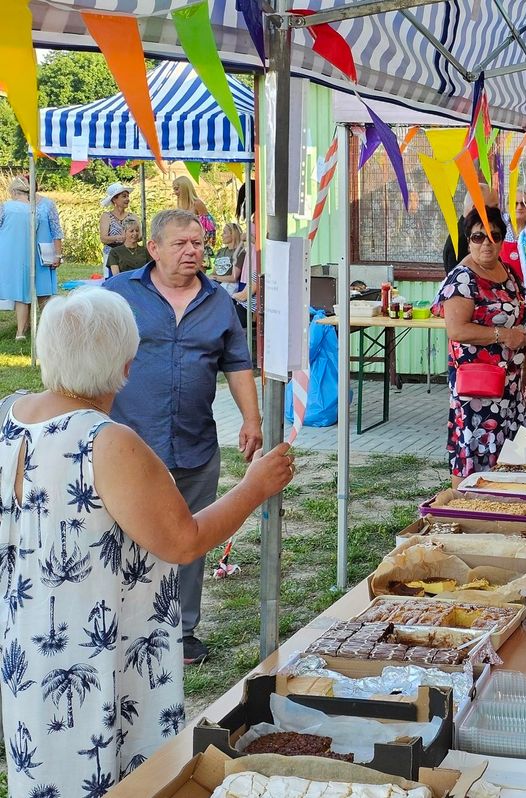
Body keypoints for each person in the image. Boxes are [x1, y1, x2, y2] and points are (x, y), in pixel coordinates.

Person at [0, 287, 294, 796]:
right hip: (101, 653)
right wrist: (254, 487)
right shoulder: (107, 441)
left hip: (29, 645)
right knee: (121, 778)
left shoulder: (10, 413)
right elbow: (184, 541)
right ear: (127, 365)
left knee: (46, 774)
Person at [103, 209, 262, 666]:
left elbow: (236, 364)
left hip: (193, 442)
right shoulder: (118, 293)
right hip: (127, 444)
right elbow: (88, 349)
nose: (193, 250)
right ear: (153, 249)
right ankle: (121, 624)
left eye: (198, 243)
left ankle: (181, 630)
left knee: (190, 537)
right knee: (121, 535)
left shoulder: (219, 301)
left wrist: (251, 418)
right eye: (181, 243)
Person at [433, 207, 526, 486]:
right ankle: (467, 510)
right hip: (478, 390)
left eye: (493, 236)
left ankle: (506, 509)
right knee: (476, 454)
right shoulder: (462, 279)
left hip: (510, 386)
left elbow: (522, 323)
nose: (486, 243)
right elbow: (457, 329)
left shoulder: (510, 274)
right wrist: (501, 336)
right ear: (468, 240)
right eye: (478, 237)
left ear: (502, 240)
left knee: (514, 452)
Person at [0, 177, 59, 340]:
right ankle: (21, 332)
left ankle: (21, 330)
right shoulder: (35, 211)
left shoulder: (4, 207)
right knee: (24, 293)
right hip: (29, 256)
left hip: (7, 255)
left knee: (17, 291)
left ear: (13, 192)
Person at [443, 184, 500, 274]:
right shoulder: (459, 243)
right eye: (494, 208)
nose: (498, 213)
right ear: (476, 208)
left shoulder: (473, 233)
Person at [99, 181, 138, 276]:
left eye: (128, 196)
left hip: (129, 254)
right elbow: (103, 238)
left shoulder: (132, 216)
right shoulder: (106, 216)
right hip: (111, 255)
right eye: (124, 196)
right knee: (112, 282)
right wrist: (120, 238)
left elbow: (140, 235)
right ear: (114, 200)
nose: (127, 199)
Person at [172, 175, 216, 253]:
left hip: (197, 246)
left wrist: (201, 244)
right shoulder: (180, 207)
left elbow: (209, 229)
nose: (175, 193)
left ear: (184, 188)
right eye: (174, 189)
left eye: (176, 189)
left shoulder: (197, 203)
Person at [500, 188, 526, 282]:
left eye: (524, 203)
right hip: (504, 284)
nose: (519, 207)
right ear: (508, 206)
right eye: (515, 203)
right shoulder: (500, 225)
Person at [212, 222, 248, 296]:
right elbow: (214, 272)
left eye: (224, 233)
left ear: (233, 235)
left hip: (229, 287)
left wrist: (215, 278)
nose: (221, 235)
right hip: (217, 283)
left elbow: (233, 278)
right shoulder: (220, 251)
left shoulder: (240, 252)